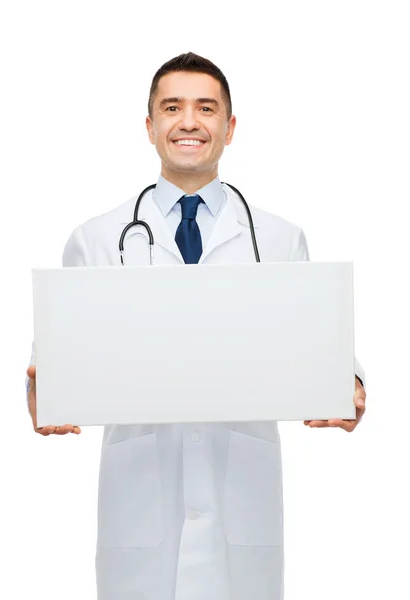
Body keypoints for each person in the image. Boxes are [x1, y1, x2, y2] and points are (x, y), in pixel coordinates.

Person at [25, 52, 367, 600]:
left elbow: (317, 337)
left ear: (229, 128)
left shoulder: (279, 239)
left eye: (206, 108)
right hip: (140, 505)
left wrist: (347, 382)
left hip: (242, 505)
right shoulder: (96, 238)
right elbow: (56, 354)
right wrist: (42, 388)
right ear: (150, 126)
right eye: (172, 107)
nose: (189, 122)